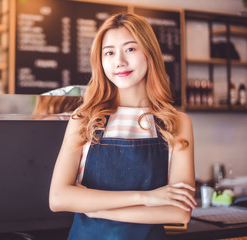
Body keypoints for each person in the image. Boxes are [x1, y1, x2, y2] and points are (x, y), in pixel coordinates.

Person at [49, 12, 196, 240]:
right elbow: (58, 198)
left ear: (149, 53)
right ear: (100, 60)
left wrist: (96, 207)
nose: (120, 61)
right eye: (109, 52)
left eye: (130, 49)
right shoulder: (85, 118)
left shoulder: (177, 123)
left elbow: (179, 211)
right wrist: (146, 198)